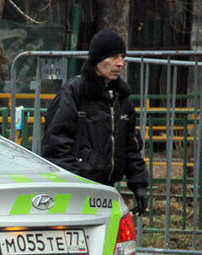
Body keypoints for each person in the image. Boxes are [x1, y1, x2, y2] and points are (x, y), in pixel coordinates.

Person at [42, 29, 150, 213]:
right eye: (114, 57)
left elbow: (130, 146)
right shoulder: (75, 91)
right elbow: (56, 143)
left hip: (106, 190)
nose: (120, 63)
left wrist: (139, 184)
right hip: (75, 192)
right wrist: (76, 180)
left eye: (123, 57)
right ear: (98, 59)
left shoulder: (121, 98)